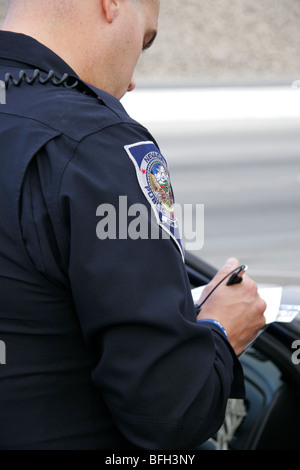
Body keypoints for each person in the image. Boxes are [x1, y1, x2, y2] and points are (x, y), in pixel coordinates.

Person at [0, 0, 266, 450]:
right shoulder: (94, 144)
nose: (131, 80)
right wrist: (222, 329)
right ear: (110, 4)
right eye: (145, 41)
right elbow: (169, 412)